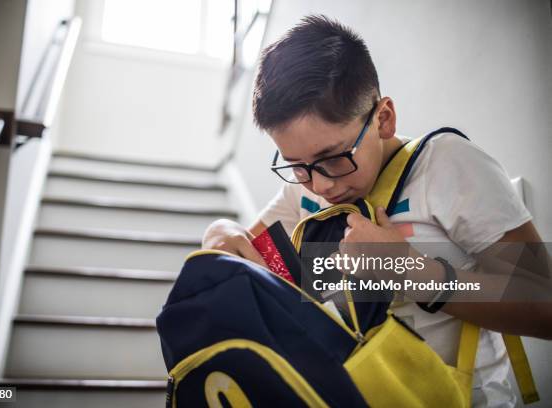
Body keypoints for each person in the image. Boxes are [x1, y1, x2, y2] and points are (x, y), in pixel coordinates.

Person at [202, 15, 551, 407]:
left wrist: (414, 272)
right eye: (296, 164)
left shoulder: (448, 166)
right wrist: (218, 230)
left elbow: (543, 302)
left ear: (383, 118)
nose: (320, 185)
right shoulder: (301, 192)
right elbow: (243, 244)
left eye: (333, 157)